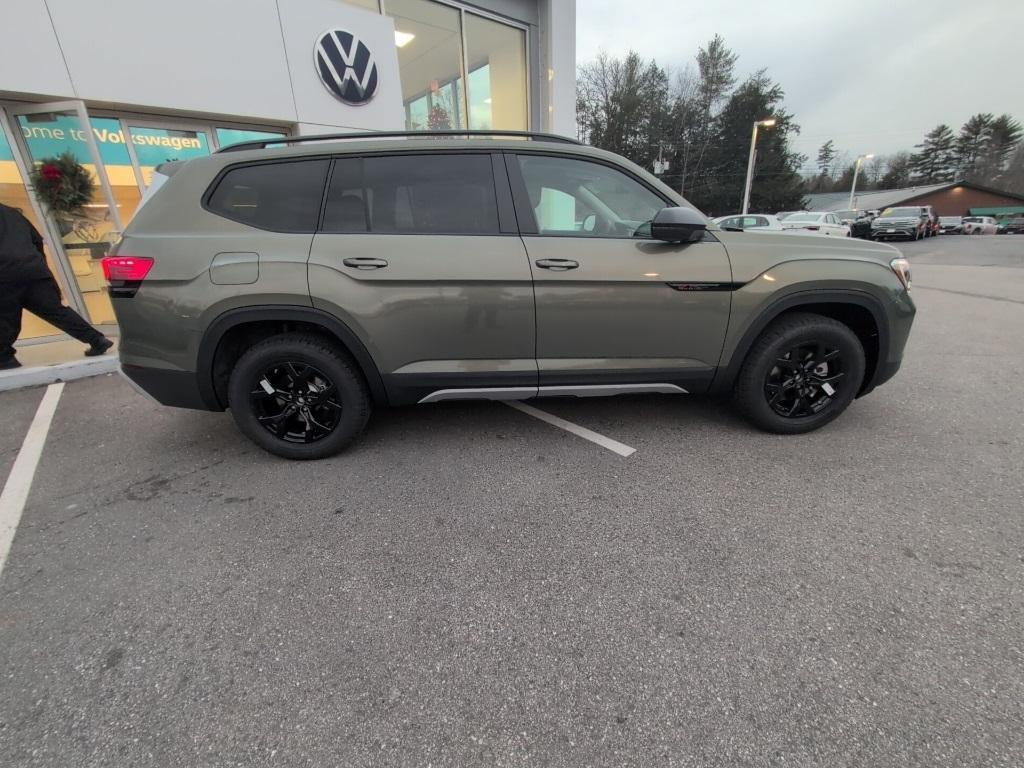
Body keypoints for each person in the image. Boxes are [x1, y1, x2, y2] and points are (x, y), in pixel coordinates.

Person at [0, 202, 113, 370]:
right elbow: (36, 241)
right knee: (56, 311)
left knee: (5, 317)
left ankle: (4, 358)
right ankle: (96, 339)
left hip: (4, 274)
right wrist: (42, 269)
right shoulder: (12, 212)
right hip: (34, 270)